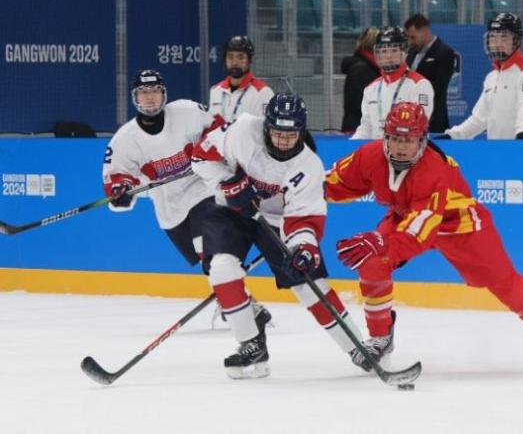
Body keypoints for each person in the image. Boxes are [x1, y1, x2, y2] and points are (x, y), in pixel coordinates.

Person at [326, 101, 523, 373]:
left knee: (505, 283)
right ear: (385, 137)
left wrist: (382, 241)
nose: (401, 146)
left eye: (409, 140)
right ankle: (380, 339)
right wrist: (292, 192)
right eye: (396, 138)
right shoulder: (369, 155)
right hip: (410, 217)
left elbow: (419, 234)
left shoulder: (435, 171)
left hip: (461, 226)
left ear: (422, 141)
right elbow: (331, 183)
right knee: (373, 262)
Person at [191, 93, 363, 379]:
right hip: (231, 211)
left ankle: (357, 347)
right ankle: (250, 343)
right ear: (266, 125)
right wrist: (228, 182)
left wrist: (303, 248)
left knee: (310, 285)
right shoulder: (243, 130)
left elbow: (304, 218)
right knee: (222, 267)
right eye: (277, 132)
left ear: (302, 131)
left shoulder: (309, 166)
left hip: (279, 221)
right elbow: (199, 156)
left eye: (291, 134)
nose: (283, 140)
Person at [103, 69, 271, 328]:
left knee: (211, 248)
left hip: (204, 187)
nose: (150, 98)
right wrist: (121, 191)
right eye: (144, 93)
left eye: (155, 92)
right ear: (135, 98)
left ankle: (239, 303)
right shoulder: (125, 139)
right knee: (207, 261)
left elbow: (218, 128)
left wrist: (207, 148)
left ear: (164, 95)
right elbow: (117, 177)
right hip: (170, 207)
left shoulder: (187, 111)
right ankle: (232, 299)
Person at [442, 13, 523, 140]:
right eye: (493, 38)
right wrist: (453, 135)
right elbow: (479, 118)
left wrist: (522, 132)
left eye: (504, 37)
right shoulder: (491, 77)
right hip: (498, 151)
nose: (497, 43)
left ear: (516, 40)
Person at [351, 26, 434, 140]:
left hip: (407, 151)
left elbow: (420, 126)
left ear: (404, 52)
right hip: (376, 152)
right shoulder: (371, 89)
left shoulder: (419, 85)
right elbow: (366, 129)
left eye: (394, 50)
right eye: (384, 51)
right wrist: (349, 148)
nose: (388, 56)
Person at [405, 13, 456, 133]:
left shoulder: (445, 52)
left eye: (413, 37)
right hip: (409, 118)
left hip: (434, 119)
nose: (411, 41)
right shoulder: (412, 51)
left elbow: (439, 87)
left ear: (425, 31)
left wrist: (414, 88)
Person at [209, 36, 274, 122]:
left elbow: (265, 129)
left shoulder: (263, 92)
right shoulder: (216, 90)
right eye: (230, 57)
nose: (235, 62)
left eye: (240, 57)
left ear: (249, 60)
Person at [341, 27, 380, 134]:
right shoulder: (362, 69)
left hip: (361, 126)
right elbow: (357, 102)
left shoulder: (371, 67)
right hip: (358, 128)